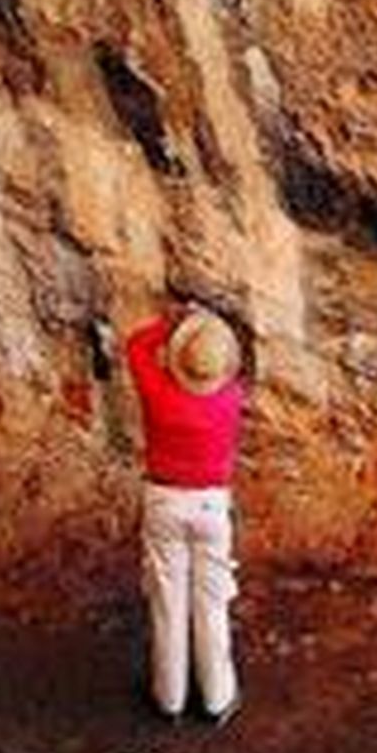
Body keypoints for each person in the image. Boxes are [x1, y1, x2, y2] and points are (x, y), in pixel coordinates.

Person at [126, 304, 247, 726]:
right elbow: (233, 370)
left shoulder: (156, 392)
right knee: (211, 605)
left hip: (164, 502)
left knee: (167, 602)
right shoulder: (231, 398)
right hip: (211, 507)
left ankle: (169, 699)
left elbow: (136, 346)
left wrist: (173, 322)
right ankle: (217, 699)